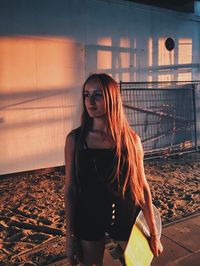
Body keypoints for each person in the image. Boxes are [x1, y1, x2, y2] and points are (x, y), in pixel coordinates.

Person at [64, 73, 163, 266]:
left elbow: (142, 188)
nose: (90, 101)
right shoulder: (75, 140)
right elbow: (71, 189)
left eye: (98, 95)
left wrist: (154, 233)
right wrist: (69, 238)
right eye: (86, 95)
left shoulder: (131, 140)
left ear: (112, 98)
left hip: (125, 214)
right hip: (88, 214)